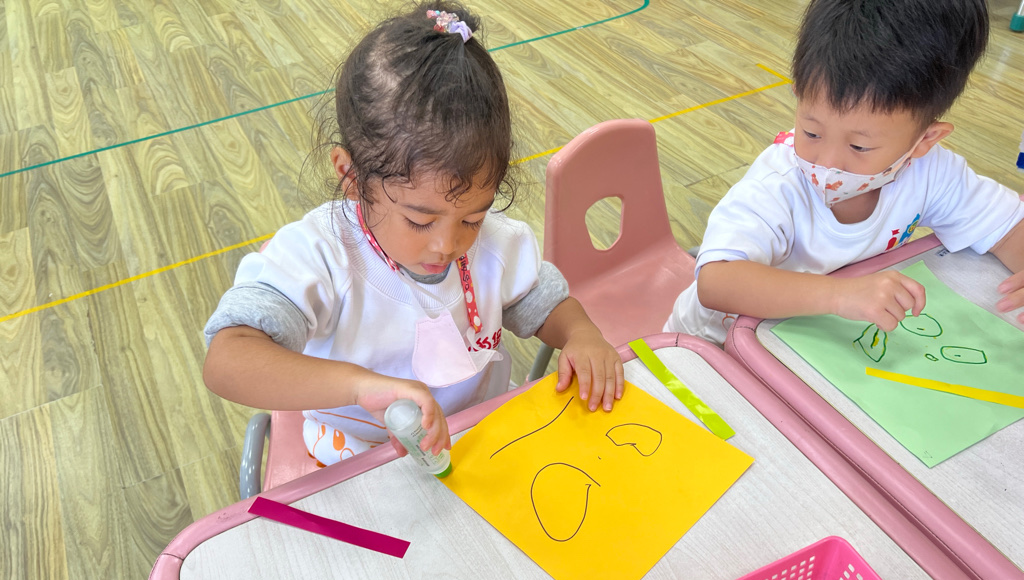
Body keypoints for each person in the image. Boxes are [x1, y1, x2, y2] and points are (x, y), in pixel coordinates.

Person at [203, 3, 624, 465]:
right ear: (351, 176)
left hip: (476, 435)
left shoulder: (496, 245)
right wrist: (359, 387)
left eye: (472, 218)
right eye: (420, 221)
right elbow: (228, 361)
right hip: (358, 452)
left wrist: (580, 333)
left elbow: (545, 305)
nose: (447, 245)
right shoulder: (322, 255)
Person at [665, 0, 1024, 345]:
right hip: (710, 344)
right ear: (799, 96)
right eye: (812, 132)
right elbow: (717, 282)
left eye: (859, 147)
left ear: (924, 140)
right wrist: (839, 295)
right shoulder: (778, 184)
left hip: (809, 341)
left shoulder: (931, 172)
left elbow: (1008, 228)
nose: (828, 161)